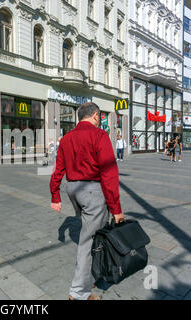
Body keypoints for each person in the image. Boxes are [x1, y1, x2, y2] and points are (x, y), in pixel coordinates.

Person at [49, 102, 125, 301]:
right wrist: (116, 208)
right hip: (92, 190)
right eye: (99, 117)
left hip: (73, 189)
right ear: (96, 116)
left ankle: (93, 275)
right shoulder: (99, 136)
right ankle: (78, 293)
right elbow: (109, 173)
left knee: (92, 232)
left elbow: (58, 170)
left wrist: (55, 195)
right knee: (87, 241)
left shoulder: (66, 138)